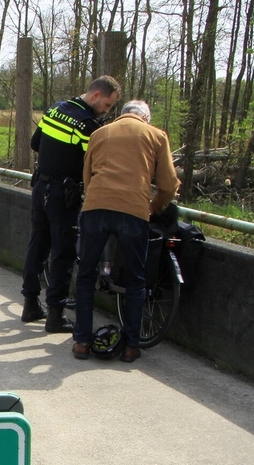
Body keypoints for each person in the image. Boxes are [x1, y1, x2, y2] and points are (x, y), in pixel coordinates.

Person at [72, 100, 180, 363]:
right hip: (133, 210)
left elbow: (87, 176)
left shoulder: (99, 133)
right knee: (136, 280)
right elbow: (168, 183)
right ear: (145, 117)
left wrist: (95, 200)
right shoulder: (156, 135)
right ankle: (131, 346)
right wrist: (154, 206)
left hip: (96, 206)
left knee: (86, 276)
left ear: (122, 115)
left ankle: (83, 342)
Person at [20, 75, 122, 330]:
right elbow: (95, 162)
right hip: (63, 193)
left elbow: (35, 143)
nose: (106, 111)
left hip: (40, 186)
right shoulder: (87, 125)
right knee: (64, 253)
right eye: (108, 105)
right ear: (96, 95)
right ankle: (55, 314)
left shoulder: (55, 110)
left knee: (37, 246)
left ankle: (30, 304)